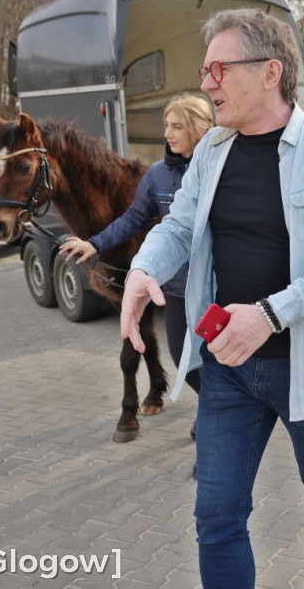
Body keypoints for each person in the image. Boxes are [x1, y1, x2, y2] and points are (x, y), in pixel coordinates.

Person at [119, 8, 304, 589]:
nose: (207, 81)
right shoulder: (212, 149)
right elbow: (180, 228)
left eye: (219, 68)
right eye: (204, 70)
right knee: (215, 517)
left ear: (270, 72)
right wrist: (142, 271)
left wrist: (270, 314)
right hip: (227, 371)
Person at [60, 94, 214, 411]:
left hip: (219, 288)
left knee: (219, 356)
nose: (168, 134)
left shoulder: (222, 169)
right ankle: (212, 406)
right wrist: (94, 243)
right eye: (166, 126)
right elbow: (133, 218)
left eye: (177, 126)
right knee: (182, 357)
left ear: (201, 129)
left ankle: (217, 418)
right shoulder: (157, 175)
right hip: (177, 288)